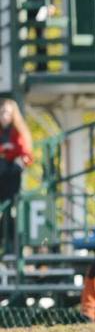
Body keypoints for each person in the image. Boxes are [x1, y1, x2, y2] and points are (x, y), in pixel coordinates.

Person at [0, 99, 33, 250]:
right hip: (2, 174)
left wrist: (8, 151)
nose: (4, 116)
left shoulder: (18, 132)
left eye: (7, 112)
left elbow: (25, 154)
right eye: (2, 112)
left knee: (10, 211)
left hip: (11, 176)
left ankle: (11, 245)